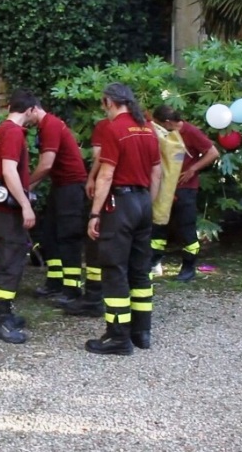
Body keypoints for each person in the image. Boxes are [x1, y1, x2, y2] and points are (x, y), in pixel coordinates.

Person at [85, 83, 161, 355]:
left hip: (120, 203)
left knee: (114, 268)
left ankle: (118, 336)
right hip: (143, 202)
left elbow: (106, 175)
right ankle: (142, 332)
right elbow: (157, 173)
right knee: (140, 269)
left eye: (103, 103)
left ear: (110, 102)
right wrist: (147, 204)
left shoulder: (114, 129)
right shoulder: (148, 129)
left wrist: (95, 213)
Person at [0, 89, 40, 344]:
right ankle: (1, 321)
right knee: (11, 261)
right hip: (9, 210)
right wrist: (25, 204)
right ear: (30, 110)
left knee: (2, 259)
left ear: (9, 107)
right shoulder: (14, 133)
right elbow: (9, 171)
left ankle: (1, 312)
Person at [150, 105, 219, 281]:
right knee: (158, 225)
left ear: (167, 122)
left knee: (185, 228)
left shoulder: (190, 131)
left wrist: (193, 169)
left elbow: (212, 152)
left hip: (185, 188)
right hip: (164, 187)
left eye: (158, 123)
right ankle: (153, 263)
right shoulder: (163, 132)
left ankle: (188, 267)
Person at [29, 108, 88, 304]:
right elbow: (46, 167)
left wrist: (25, 186)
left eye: (25, 114)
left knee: (68, 237)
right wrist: (27, 189)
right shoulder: (45, 126)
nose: (24, 120)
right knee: (50, 234)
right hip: (61, 185)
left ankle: (72, 289)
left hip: (71, 186)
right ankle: (55, 282)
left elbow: (46, 165)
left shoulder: (51, 125)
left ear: (33, 109)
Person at [61, 116, 113, 317]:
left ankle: (93, 298)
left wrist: (94, 212)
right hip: (140, 199)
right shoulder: (147, 128)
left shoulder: (108, 127)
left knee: (95, 245)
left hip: (111, 194)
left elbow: (102, 162)